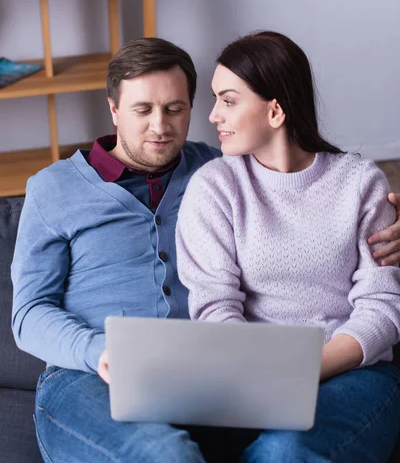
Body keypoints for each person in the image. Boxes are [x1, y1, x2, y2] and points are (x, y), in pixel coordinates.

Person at [11, 37, 400, 463]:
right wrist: (99, 351)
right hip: (90, 375)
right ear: (114, 109)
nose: (160, 126)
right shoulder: (52, 189)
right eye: (142, 110)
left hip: (209, 381)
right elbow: (29, 313)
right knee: (162, 456)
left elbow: (299, 180)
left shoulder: (220, 170)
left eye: (175, 109)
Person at [176, 31, 400, 463]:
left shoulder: (359, 182)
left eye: (228, 100)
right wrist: (263, 379)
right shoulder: (214, 188)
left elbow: (383, 305)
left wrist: (302, 370)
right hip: (249, 378)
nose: (212, 115)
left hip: (355, 372)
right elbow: (214, 308)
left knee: (287, 450)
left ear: (275, 110)